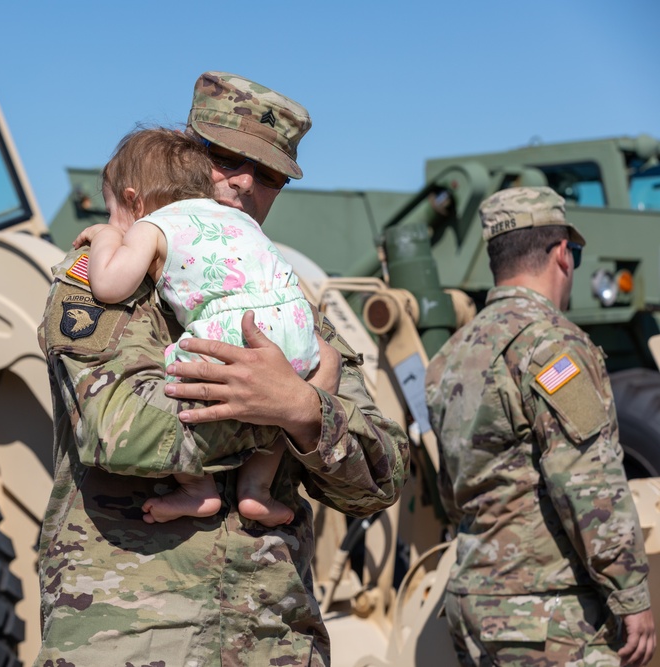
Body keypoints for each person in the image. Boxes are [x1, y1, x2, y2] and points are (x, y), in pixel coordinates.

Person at [36, 71, 409, 666]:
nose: (243, 182)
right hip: (136, 640)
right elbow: (120, 429)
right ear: (185, 157)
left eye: (269, 175)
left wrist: (308, 414)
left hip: (276, 641)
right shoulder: (107, 276)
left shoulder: (285, 299)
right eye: (225, 158)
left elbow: (381, 478)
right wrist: (283, 407)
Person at [425, 186, 655, 667]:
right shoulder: (553, 348)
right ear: (562, 255)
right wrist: (631, 593)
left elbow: (452, 491)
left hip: (472, 606)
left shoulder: (451, 357)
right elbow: (588, 481)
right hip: (547, 614)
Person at [73, 127, 323, 527]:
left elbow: (108, 285)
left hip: (228, 333)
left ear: (133, 200)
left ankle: (196, 488)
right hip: (292, 324)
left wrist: (106, 236)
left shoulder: (151, 225)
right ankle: (256, 489)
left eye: (111, 210)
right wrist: (302, 408)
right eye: (226, 158)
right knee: (291, 395)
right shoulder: (241, 223)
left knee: (182, 375)